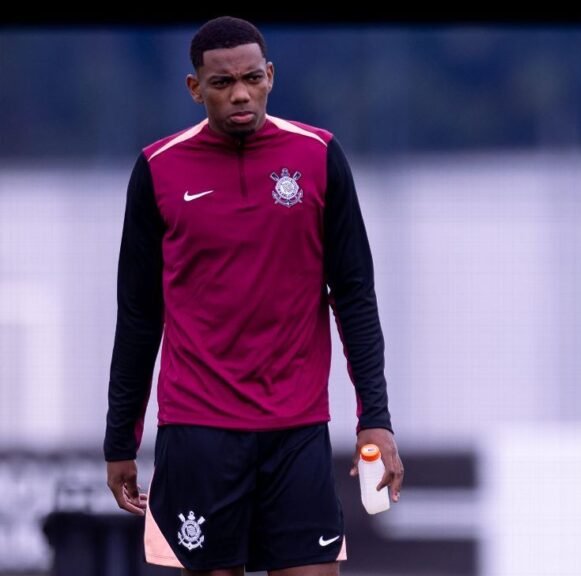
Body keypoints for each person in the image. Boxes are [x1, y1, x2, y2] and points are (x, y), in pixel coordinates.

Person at [103, 16, 403, 576]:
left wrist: (376, 418)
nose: (239, 94)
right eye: (222, 83)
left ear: (270, 76)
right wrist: (120, 438)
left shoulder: (318, 156)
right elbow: (139, 315)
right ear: (195, 88)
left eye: (251, 78)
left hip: (298, 428)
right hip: (198, 432)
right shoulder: (158, 169)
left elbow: (355, 296)